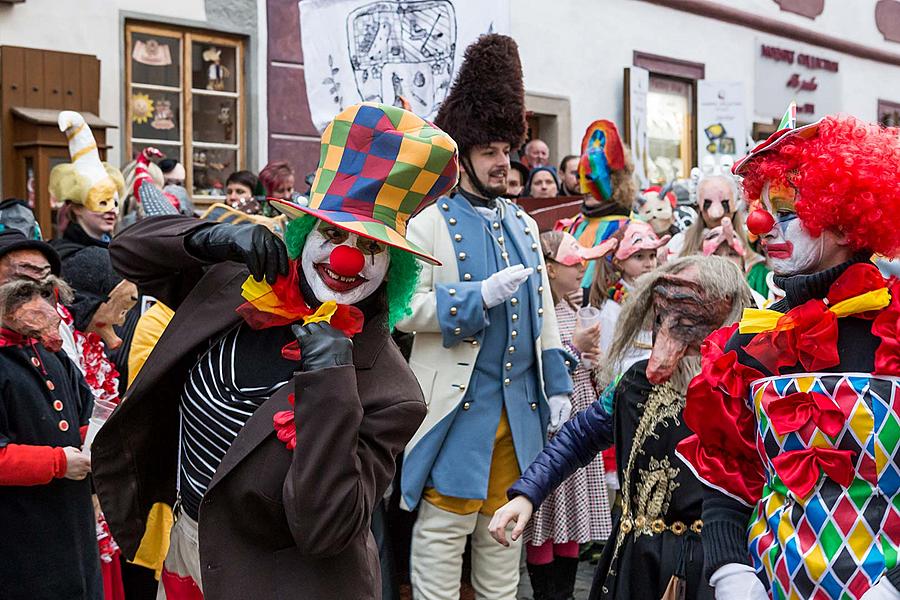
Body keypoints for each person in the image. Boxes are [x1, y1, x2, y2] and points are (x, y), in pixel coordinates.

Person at [91, 102, 459, 600]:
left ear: (393, 268)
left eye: (370, 247)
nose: (346, 257)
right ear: (305, 234)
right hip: (185, 550)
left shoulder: (391, 391)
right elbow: (126, 252)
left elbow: (324, 528)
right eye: (332, 233)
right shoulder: (240, 285)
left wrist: (331, 383)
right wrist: (210, 238)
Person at [676, 115, 900, 600]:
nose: (759, 225)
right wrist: (731, 570)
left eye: (784, 210)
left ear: (842, 222)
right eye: (760, 208)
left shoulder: (894, 329)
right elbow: (726, 475)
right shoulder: (750, 343)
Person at [397, 34, 573, 600]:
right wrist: (475, 300)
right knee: (441, 541)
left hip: (517, 413)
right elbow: (401, 312)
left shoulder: (523, 223)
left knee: (503, 548)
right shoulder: (426, 223)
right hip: (456, 412)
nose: (504, 163)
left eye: (507, 150)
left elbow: (544, 311)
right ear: (464, 155)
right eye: (490, 152)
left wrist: (559, 384)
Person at [490, 255, 752, 600]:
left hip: (712, 565)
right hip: (633, 562)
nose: (670, 330)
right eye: (664, 315)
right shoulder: (635, 383)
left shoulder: (747, 389)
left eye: (688, 317)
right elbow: (579, 436)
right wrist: (527, 493)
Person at [0, 231, 100, 600]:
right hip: (17, 541)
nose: (39, 303)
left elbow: (84, 415)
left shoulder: (52, 354)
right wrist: (57, 462)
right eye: (24, 291)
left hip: (71, 530)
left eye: (45, 291)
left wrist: (96, 443)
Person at [523, 230, 614, 600]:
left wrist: (593, 362)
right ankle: (548, 595)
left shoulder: (573, 308)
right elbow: (531, 367)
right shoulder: (534, 310)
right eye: (574, 263)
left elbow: (581, 365)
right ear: (549, 266)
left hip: (578, 417)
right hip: (549, 423)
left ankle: (564, 594)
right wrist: (574, 348)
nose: (581, 271)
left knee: (572, 515)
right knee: (545, 516)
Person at [556, 120, 635, 299]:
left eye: (591, 178)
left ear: (616, 180)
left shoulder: (633, 229)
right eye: (579, 177)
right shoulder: (573, 225)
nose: (583, 188)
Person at [591, 220, 669, 368]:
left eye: (652, 255)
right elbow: (607, 360)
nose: (649, 263)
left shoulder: (659, 296)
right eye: (639, 257)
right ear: (619, 262)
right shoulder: (612, 309)